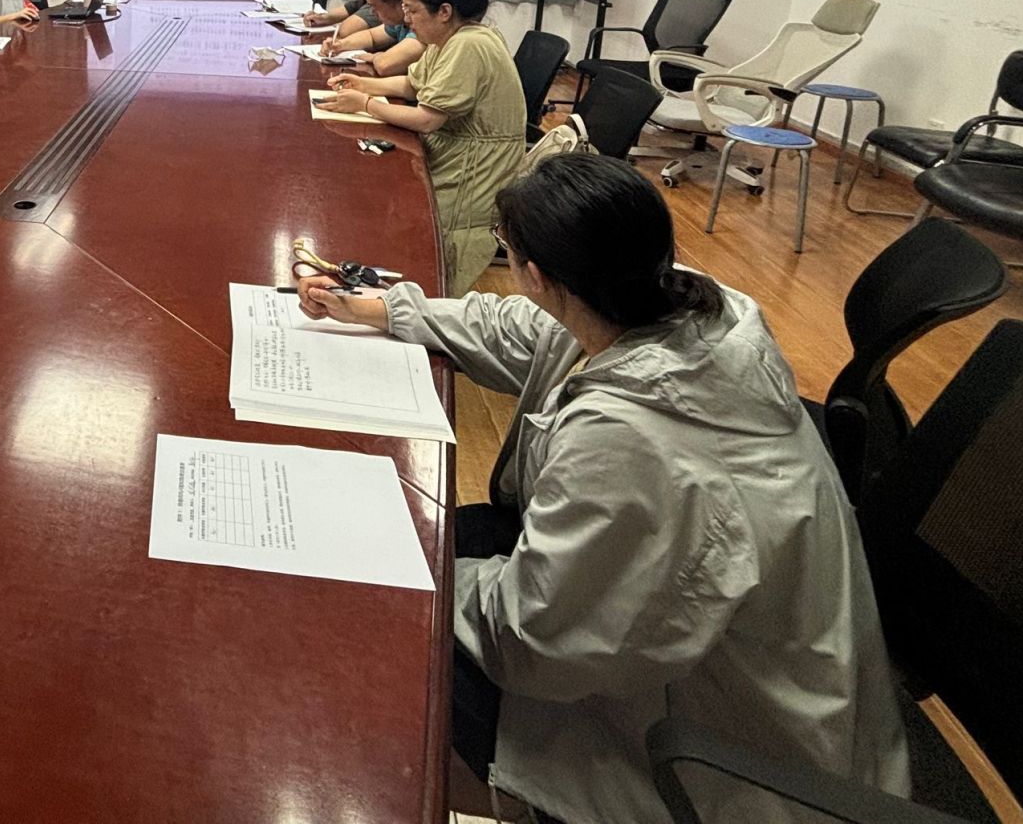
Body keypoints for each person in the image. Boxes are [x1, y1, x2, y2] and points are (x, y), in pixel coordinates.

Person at [295, 155, 910, 824]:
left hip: (733, 753)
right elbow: (523, 331)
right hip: (707, 648)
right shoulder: (676, 305)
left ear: (535, 275)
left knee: (375, 627)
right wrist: (386, 309)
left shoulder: (634, 443)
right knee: (434, 538)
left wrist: (423, 573)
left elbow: (533, 643)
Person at [317, 0, 522, 288]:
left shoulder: (469, 44)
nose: (407, 19)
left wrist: (366, 104)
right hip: (450, 152)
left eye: (412, 10)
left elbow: (427, 119)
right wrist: (364, 84)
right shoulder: (448, 39)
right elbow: (412, 85)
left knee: (430, 259)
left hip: (471, 173)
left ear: (444, 12)